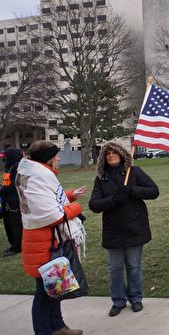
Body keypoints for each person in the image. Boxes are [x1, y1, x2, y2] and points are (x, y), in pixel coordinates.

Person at [16, 141, 87, 335]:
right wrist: (77, 208)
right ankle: (44, 331)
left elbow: (47, 199)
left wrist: (70, 195)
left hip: (48, 241)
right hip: (42, 243)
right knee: (44, 293)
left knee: (55, 289)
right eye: (56, 155)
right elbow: (52, 214)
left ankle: (57, 327)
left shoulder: (36, 173)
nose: (59, 158)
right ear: (48, 157)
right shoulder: (37, 176)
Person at [89, 142, 159, 317]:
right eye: (107, 153)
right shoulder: (101, 178)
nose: (111, 155)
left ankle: (136, 298)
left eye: (114, 152)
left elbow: (153, 191)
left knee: (134, 266)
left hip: (134, 227)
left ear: (122, 154)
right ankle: (118, 300)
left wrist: (132, 190)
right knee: (115, 268)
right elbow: (94, 205)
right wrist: (113, 200)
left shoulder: (134, 172)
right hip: (113, 230)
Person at [1, 148, 23, 257]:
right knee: (8, 224)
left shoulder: (18, 167)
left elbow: (14, 185)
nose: (4, 160)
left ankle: (17, 247)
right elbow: (6, 184)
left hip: (14, 202)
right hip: (7, 200)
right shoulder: (8, 167)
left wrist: (2, 190)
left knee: (15, 225)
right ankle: (13, 245)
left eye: (5, 157)